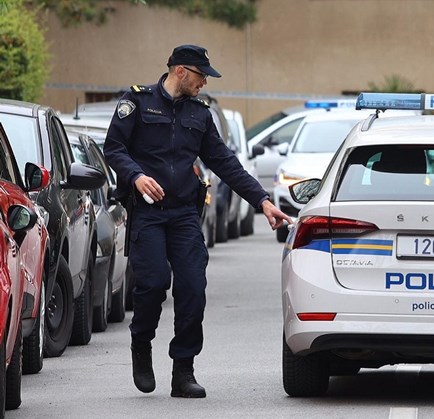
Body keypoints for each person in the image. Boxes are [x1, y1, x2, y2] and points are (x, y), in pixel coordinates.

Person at [104, 44, 293, 398]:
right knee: (153, 284)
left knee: (193, 289)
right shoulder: (138, 102)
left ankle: (183, 371)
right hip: (147, 214)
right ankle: (141, 343)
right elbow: (113, 148)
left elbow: (225, 162)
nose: (205, 81)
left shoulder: (200, 115)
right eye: (201, 74)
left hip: (184, 215)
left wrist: (262, 200)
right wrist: (136, 176)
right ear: (180, 71)